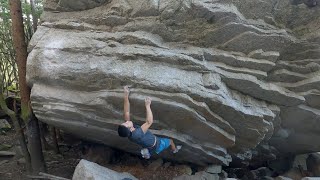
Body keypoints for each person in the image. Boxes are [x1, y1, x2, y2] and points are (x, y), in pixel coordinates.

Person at [117, 86, 181, 159]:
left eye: (124, 123)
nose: (126, 122)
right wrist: (147, 106)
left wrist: (126, 95)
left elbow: (127, 112)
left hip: (147, 143)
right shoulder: (137, 133)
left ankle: (147, 153)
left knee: (147, 144)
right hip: (158, 144)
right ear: (131, 129)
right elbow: (149, 122)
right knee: (171, 141)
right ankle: (174, 150)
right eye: (126, 124)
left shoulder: (128, 132)